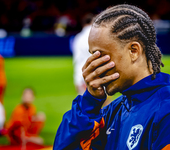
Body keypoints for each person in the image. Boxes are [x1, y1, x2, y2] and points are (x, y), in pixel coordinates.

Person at [54, 4, 170, 150]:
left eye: (101, 56)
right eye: (92, 57)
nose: (95, 68)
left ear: (134, 51)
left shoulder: (165, 110)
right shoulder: (114, 111)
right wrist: (90, 102)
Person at [72, 13, 93, 95]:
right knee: (105, 104)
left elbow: (76, 57)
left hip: (80, 73)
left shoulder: (77, 37)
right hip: (95, 73)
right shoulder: (96, 36)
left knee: (84, 105)